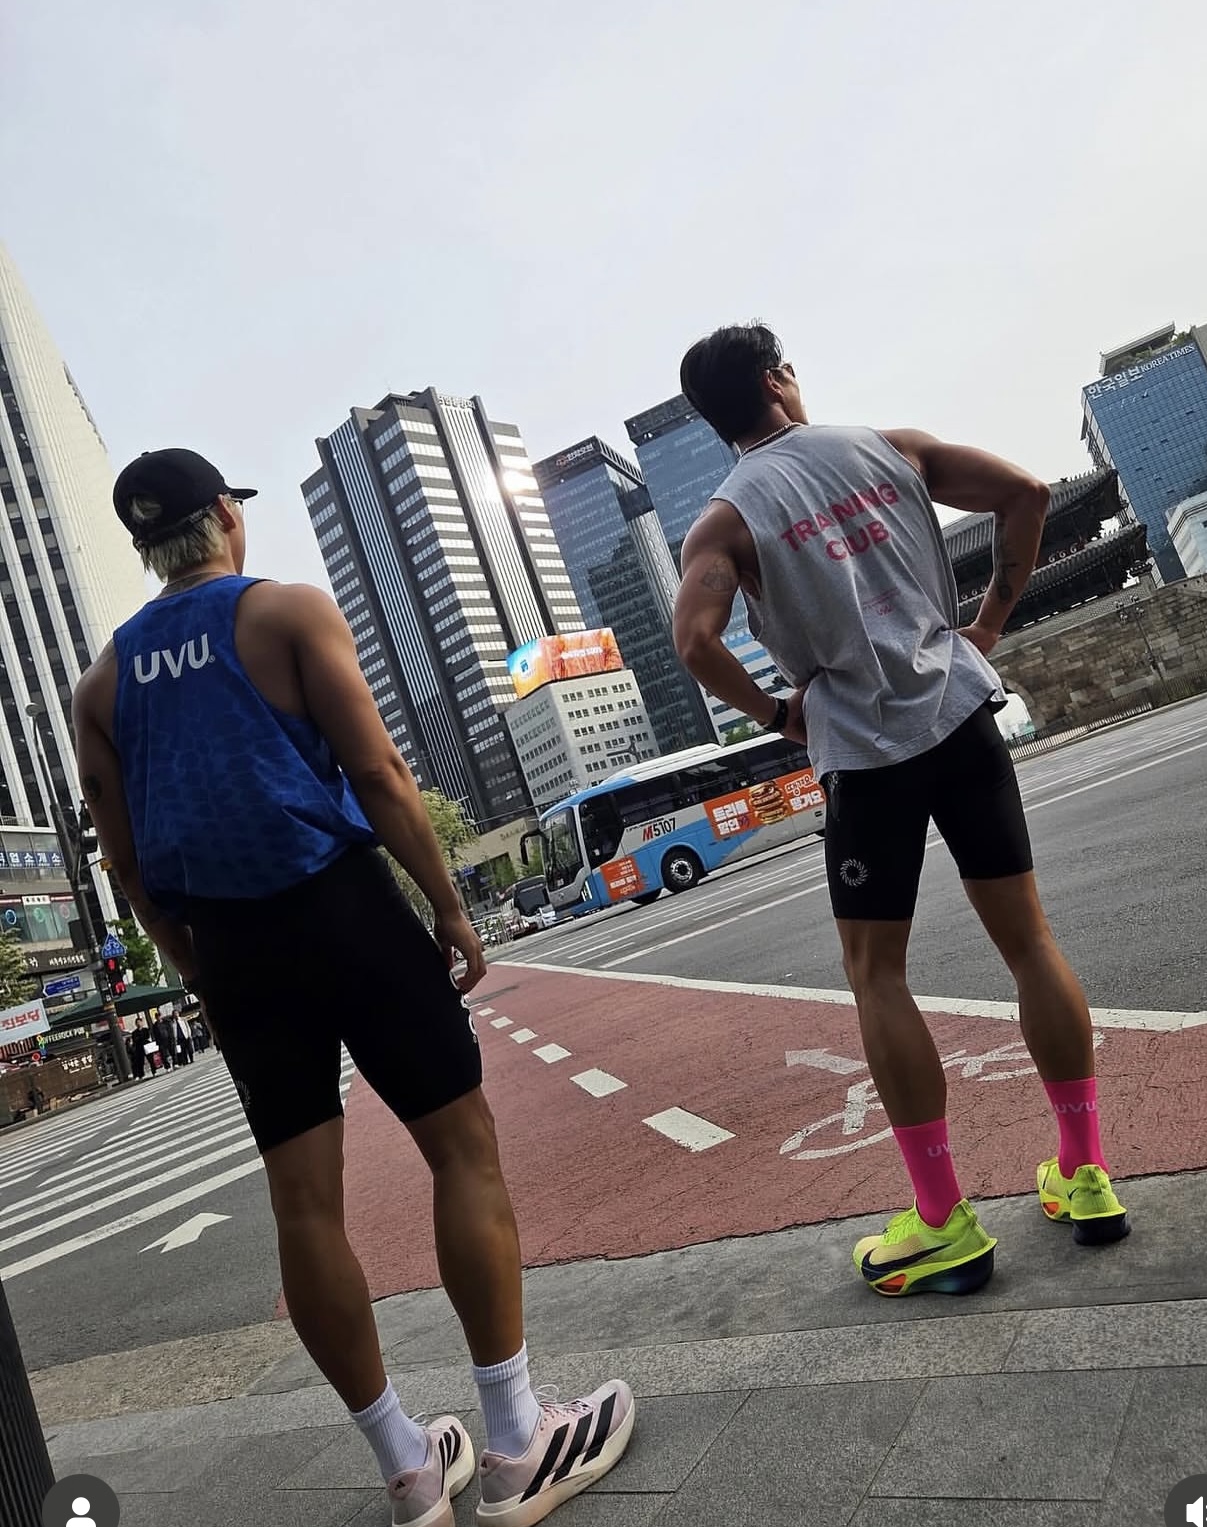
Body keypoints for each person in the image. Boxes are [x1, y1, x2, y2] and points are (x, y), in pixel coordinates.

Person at [73, 448, 632, 1527]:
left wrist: (197, 969)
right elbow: (378, 773)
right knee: (461, 1147)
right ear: (226, 517)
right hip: (344, 910)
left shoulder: (99, 688)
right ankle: (515, 1438)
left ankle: (409, 1468)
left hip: (232, 947)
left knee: (304, 1205)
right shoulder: (285, 613)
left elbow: (126, 865)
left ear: (147, 548)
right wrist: (449, 906)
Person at [672, 325, 1129, 1298]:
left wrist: (777, 714)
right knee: (1029, 941)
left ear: (716, 418)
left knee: (877, 974)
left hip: (863, 751)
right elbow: (1028, 492)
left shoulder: (723, 524)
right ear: (776, 380)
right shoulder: (894, 449)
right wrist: (988, 624)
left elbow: (693, 640)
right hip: (960, 714)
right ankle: (1085, 1171)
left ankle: (943, 1220)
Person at [128, 1016, 150, 1081]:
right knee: (140, 1062)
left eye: (139, 1022)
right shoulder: (134, 1033)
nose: (138, 1023)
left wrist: (139, 1038)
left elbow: (147, 1036)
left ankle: (154, 1071)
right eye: (137, 1022)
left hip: (146, 1046)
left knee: (150, 1059)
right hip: (139, 1048)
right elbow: (135, 1040)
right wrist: (140, 1038)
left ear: (142, 1023)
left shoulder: (145, 1030)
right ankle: (141, 1074)